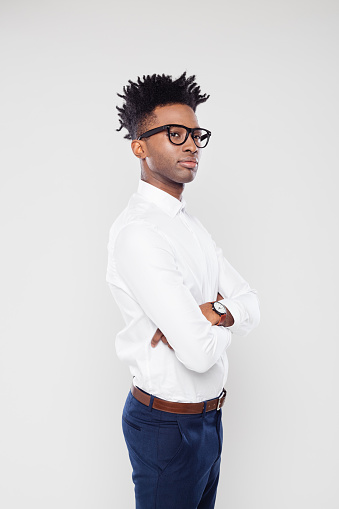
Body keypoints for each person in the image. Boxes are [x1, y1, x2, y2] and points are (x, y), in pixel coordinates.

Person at [106, 72, 260, 509]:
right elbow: (198, 353)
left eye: (195, 134)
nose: (191, 144)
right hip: (165, 426)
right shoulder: (140, 234)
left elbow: (252, 304)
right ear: (139, 146)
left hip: (209, 420)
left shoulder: (190, 227)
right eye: (175, 134)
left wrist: (209, 313)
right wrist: (221, 318)